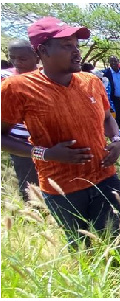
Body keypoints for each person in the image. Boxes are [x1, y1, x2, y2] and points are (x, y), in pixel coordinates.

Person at [1, 17, 120, 248]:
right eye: (67, 46)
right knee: (81, 248)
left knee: (112, 243)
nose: (76, 52)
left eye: (76, 46)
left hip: (105, 178)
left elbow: (108, 118)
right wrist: (46, 154)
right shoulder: (17, 88)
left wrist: (117, 140)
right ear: (43, 51)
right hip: (63, 187)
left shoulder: (91, 82)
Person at [2, 39, 40, 202]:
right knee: (29, 184)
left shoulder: (45, 77)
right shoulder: (5, 78)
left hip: (46, 141)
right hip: (20, 142)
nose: (17, 62)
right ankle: (35, 216)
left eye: (23, 58)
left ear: (36, 57)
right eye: (13, 58)